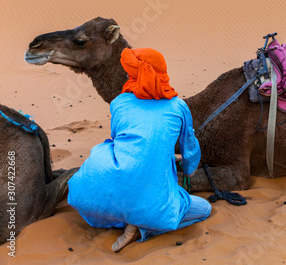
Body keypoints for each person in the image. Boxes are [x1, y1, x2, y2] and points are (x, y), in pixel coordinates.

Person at [68, 47, 211, 252]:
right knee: (204, 209)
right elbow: (190, 151)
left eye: (130, 72)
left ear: (136, 75)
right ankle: (145, 228)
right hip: (152, 198)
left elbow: (122, 141)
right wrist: (188, 169)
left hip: (108, 180)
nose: (127, 75)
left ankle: (127, 219)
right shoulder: (178, 107)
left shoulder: (119, 103)